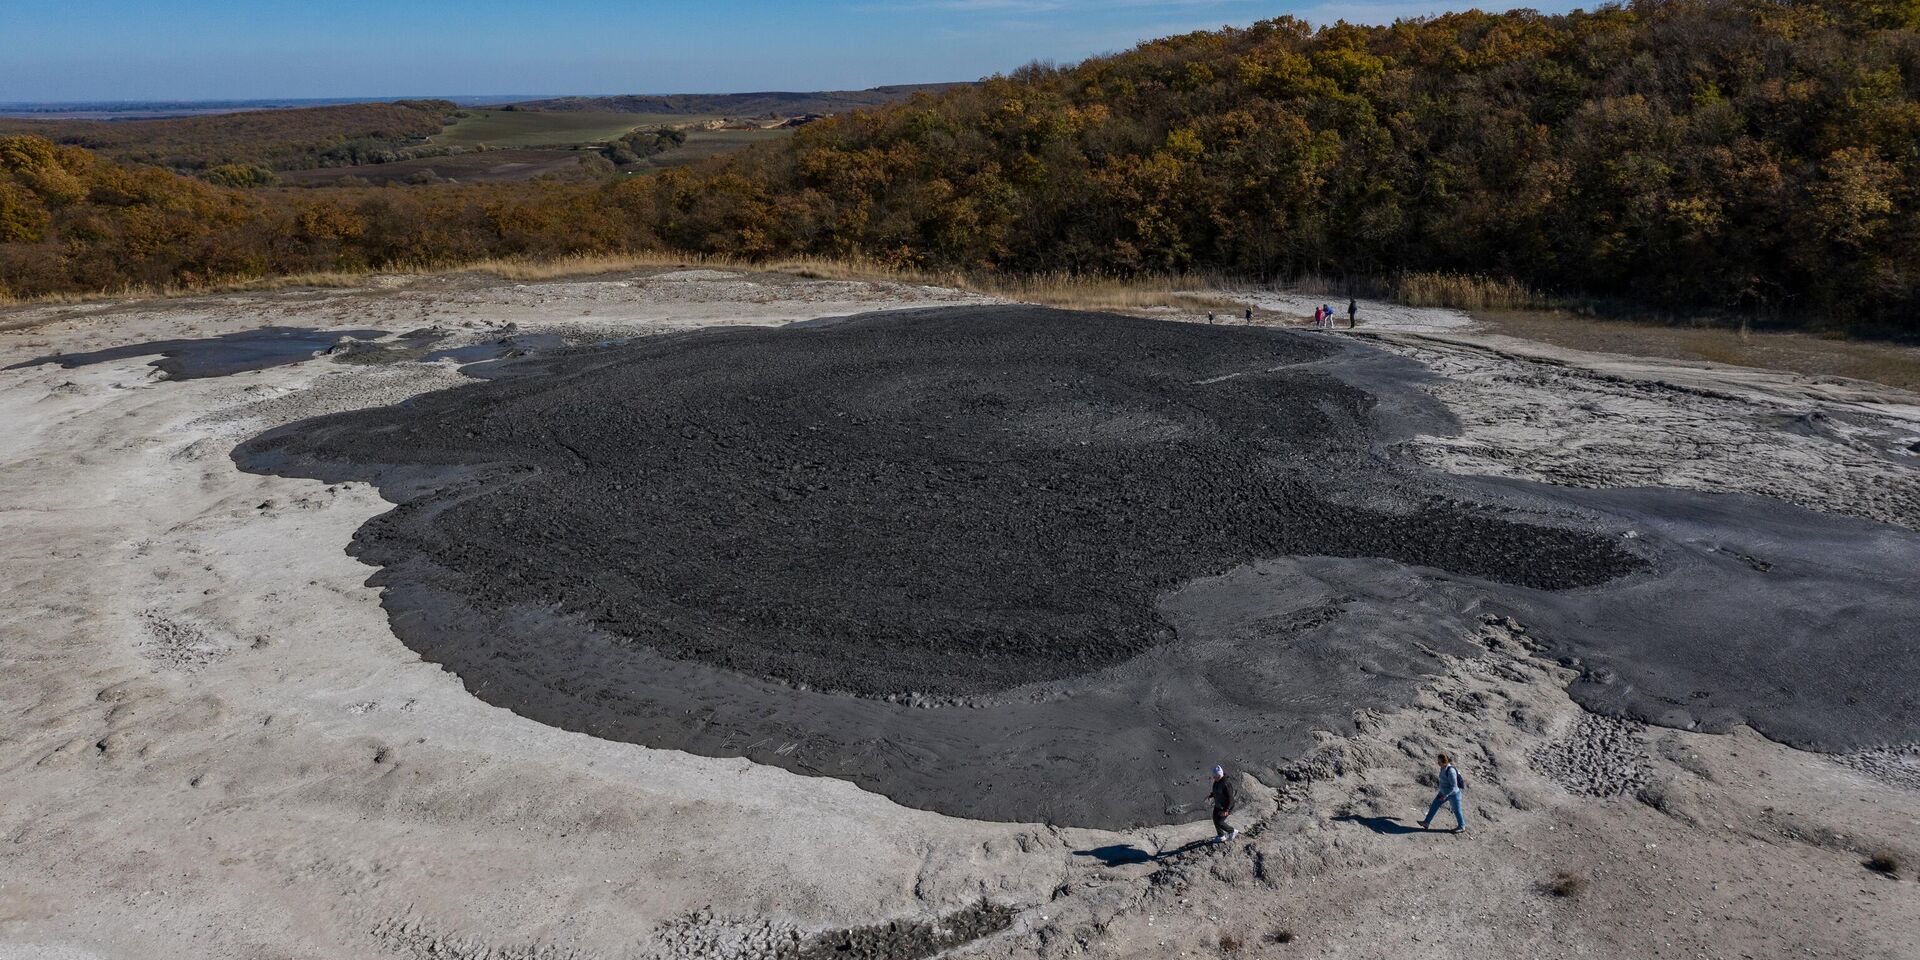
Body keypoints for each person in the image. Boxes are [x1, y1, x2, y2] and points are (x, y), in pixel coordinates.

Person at [1418, 752, 1467, 833]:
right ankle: (1426, 823)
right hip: (1443, 792)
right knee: (1434, 805)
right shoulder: (1443, 768)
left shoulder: (1451, 771)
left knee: (1457, 810)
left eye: (1439, 762)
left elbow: (1454, 786)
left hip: (1453, 794)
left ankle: (1462, 826)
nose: (1438, 763)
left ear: (1444, 762)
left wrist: (1445, 795)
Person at [1208, 764, 1238, 842]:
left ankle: (1232, 831)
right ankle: (1221, 836)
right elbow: (1217, 791)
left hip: (1226, 806)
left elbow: (1230, 799)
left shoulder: (1226, 784)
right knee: (1215, 819)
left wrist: (1226, 810)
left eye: (1215, 777)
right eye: (1213, 777)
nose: (1213, 778)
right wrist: (1211, 795)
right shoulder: (1217, 781)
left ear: (1219, 775)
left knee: (1219, 821)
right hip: (1219, 805)